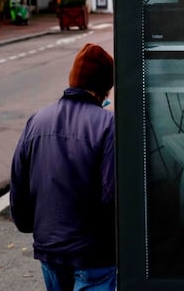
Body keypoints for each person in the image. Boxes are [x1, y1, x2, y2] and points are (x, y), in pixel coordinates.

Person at [10, 43, 117, 291]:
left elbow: (19, 182)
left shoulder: (37, 120)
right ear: (104, 88)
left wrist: (29, 225)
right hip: (94, 254)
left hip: (50, 248)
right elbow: (110, 194)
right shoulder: (108, 125)